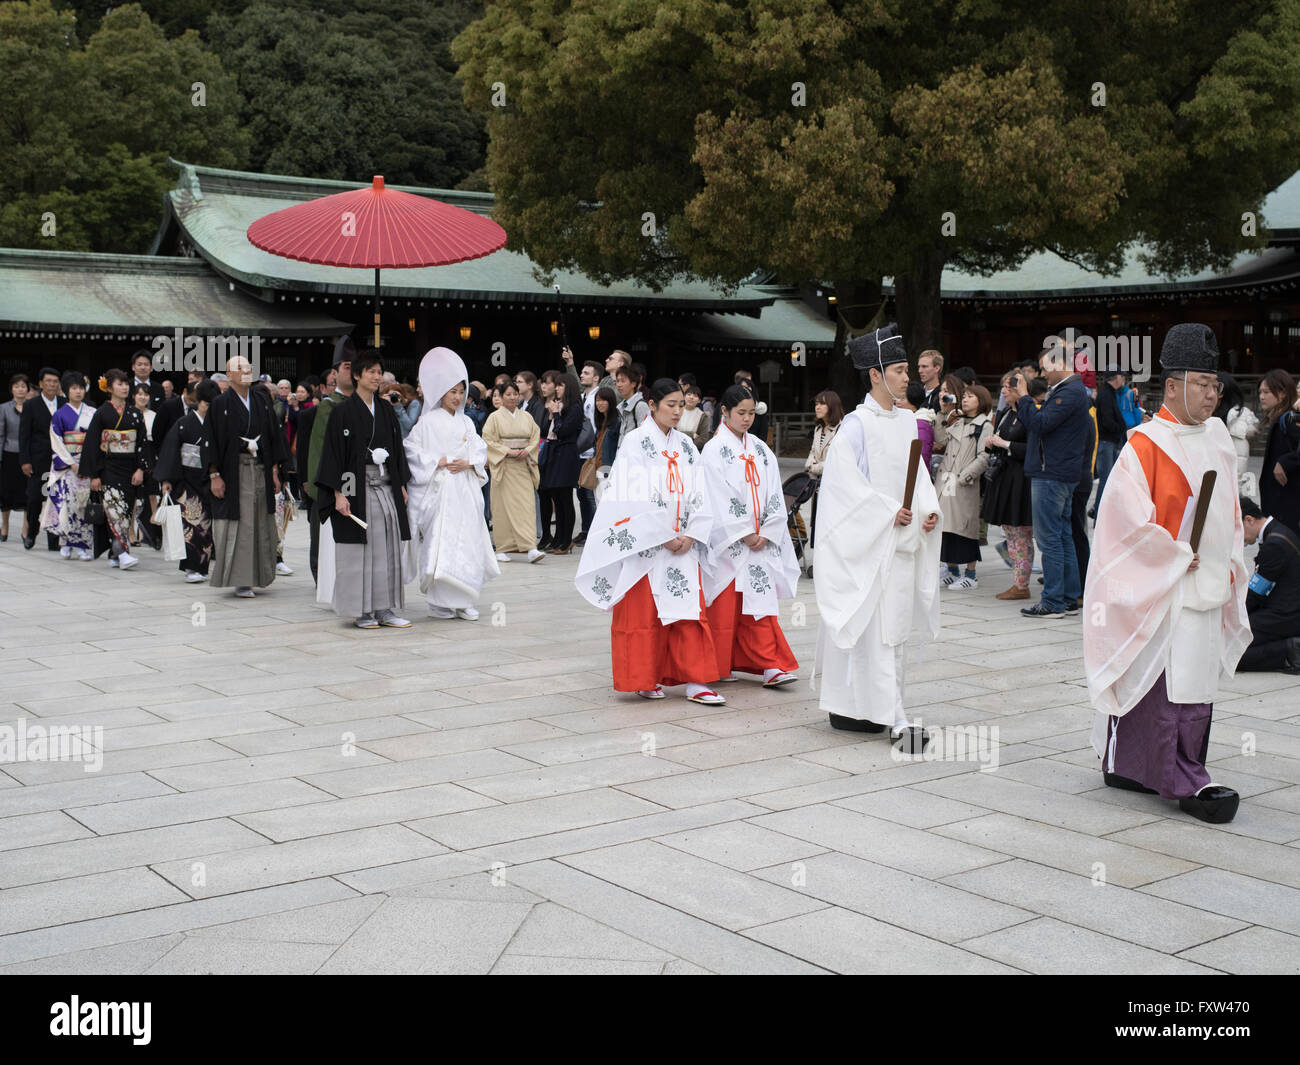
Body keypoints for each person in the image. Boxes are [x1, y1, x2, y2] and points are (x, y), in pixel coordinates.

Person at [1084, 323, 1249, 824]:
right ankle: (1177, 777)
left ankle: (1149, 765)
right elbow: (1121, 525)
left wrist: (1232, 558)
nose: (1211, 394)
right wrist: (1171, 553)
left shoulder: (1217, 436)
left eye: (1215, 384)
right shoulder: (1144, 445)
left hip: (1206, 579)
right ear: (1172, 384)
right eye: (1202, 383)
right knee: (1164, 680)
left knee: (1193, 678)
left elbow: (1230, 513)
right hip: (1165, 585)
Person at [814, 323, 942, 750]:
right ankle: (889, 717)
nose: (909, 377)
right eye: (901, 369)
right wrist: (889, 513)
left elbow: (918, 475)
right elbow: (843, 490)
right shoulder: (855, 426)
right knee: (874, 631)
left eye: (909, 370)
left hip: (900, 544)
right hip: (869, 546)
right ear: (875, 374)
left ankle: (879, 707)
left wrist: (927, 510)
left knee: (894, 632)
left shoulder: (907, 420)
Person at [575, 378, 725, 705]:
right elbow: (629, 495)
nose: (676, 411)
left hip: (683, 543)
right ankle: (644, 677)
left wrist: (691, 532)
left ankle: (696, 681)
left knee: (689, 611)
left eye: (680, 405)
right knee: (644, 615)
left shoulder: (685, 446)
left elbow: (700, 491)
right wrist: (663, 534)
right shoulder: (635, 442)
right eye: (669, 405)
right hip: (647, 546)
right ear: (653, 405)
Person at [701, 384, 800, 687]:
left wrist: (768, 530)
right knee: (725, 607)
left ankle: (770, 665)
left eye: (750, 413)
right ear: (725, 412)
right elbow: (716, 496)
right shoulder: (713, 450)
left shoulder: (760, 448)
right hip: (731, 543)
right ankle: (720, 664)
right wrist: (744, 531)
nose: (746, 419)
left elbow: (774, 491)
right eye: (740, 413)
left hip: (761, 541)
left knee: (760, 606)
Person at [315, 350, 412, 629]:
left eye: (379, 371)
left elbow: (397, 451)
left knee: (387, 548)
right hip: (357, 487)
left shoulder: (385, 411)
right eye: (370, 371)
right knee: (361, 550)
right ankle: (362, 611)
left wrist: (400, 484)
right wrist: (339, 493)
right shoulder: (342, 412)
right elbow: (334, 455)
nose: (376, 376)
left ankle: (385, 608)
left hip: (384, 486)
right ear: (357, 375)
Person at [404, 347, 499, 621]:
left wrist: (468, 462)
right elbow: (411, 451)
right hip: (441, 490)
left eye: (460, 391)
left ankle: (466, 597)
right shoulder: (427, 422)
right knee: (441, 543)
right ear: (440, 392)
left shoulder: (467, 421)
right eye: (452, 391)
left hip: (465, 490)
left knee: (468, 540)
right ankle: (440, 600)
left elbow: (480, 449)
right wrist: (438, 460)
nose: (457, 397)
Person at [1012, 343, 1091, 618]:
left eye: (1045, 368)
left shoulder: (1069, 392)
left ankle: (1054, 601)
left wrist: (1023, 398)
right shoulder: (1070, 390)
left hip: (1052, 473)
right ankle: (1068, 597)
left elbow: (1041, 423)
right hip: (1060, 472)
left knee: (1050, 540)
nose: (1043, 374)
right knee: (1063, 535)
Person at [208, 355, 286, 598]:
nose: (246, 371)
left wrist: (274, 471)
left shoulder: (262, 401)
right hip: (235, 470)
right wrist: (214, 475)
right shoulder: (220, 403)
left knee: (261, 521)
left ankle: (259, 575)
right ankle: (241, 580)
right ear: (228, 375)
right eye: (239, 368)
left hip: (260, 469)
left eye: (248, 367)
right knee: (240, 525)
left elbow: (273, 437)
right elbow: (211, 440)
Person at [78, 368, 144, 570]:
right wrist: (94, 474)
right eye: (119, 384)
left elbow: (142, 442)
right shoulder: (102, 413)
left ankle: (115, 553)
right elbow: (91, 445)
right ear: (109, 388)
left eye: (126, 384)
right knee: (115, 511)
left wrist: (141, 468)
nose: (124, 387)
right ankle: (123, 553)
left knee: (125, 511)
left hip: (129, 468)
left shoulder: (134, 413)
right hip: (108, 468)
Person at [156, 379, 220, 583]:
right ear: (198, 402)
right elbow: (170, 450)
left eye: (212, 406)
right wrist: (166, 479)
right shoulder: (183, 424)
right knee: (193, 525)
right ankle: (193, 568)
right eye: (206, 405)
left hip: (209, 480)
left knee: (207, 526)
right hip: (186, 481)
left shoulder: (217, 425)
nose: (209, 409)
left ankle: (201, 565)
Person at [933, 383, 993, 588]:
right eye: (964, 396)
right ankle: (951, 569)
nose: (965, 399)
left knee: (966, 527)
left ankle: (971, 573)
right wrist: (944, 414)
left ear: (981, 401)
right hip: (946, 480)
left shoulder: (984, 425)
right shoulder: (957, 421)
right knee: (946, 526)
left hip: (964, 482)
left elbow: (985, 456)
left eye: (970, 397)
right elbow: (940, 440)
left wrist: (966, 476)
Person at [305, 338, 355, 582]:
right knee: (325, 539)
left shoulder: (365, 404)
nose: (351, 371)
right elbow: (321, 451)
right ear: (334, 373)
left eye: (354, 366)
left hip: (358, 482)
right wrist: (327, 489)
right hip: (332, 484)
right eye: (346, 366)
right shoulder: (329, 406)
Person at [982, 373, 1035, 600]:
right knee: (1009, 530)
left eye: (1008, 387)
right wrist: (992, 444)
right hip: (1004, 475)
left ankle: (1021, 584)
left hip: (1020, 479)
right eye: (1002, 386)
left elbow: (1034, 448)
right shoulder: (1005, 413)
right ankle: (1017, 580)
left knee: (1021, 531)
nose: (1003, 391)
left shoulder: (1030, 414)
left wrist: (1006, 444)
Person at [483, 380, 545, 563]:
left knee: (526, 506)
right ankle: (502, 547)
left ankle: (530, 547)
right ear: (501, 397)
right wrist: (507, 451)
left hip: (522, 466)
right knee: (501, 508)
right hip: (503, 466)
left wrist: (528, 450)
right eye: (508, 394)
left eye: (515, 394)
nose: (512, 397)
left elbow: (535, 436)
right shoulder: (494, 417)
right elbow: (488, 440)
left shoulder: (526, 416)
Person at [1237, 497, 1300, 673]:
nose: (1238, 538)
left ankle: (1290, 650)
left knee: (1231, 652)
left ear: (1249, 519)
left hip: (1285, 615)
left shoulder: (1275, 543)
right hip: (1284, 609)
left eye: (1237, 529)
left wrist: (1235, 618)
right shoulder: (1278, 532)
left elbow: (1256, 593)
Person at [40, 371, 96, 560]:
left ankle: (83, 545)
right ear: (65, 391)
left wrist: (87, 462)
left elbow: (95, 439)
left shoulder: (91, 412)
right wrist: (72, 464)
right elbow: (56, 441)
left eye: (81, 388)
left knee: (84, 504)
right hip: (68, 466)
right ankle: (66, 543)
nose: (78, 392)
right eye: (74, 388)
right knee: (68, 505)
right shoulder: (59, 415)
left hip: (87, 464)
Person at [18, 366, 65, 551]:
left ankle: (53, 538)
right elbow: (24, 435)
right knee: (34, 499)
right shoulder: (31, 405)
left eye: (55, 382)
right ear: (40, 384)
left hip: (59, 459)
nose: (52, 385)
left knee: (55, 498)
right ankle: (31, 531)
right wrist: (25, 460)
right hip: (38, 459)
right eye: (48, 381)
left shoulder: (64, 403)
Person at [538, 372, 584, 554]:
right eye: (556, 385)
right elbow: (547, 431)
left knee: (565, 498)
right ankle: (558, 539)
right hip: (553, 452)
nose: (556, 388)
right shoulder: (560, 406)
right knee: (555, 496)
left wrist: (556, 415)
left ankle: (566, 541)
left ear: (569, 387)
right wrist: (552, 415)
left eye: (560, 385)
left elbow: (563, 431)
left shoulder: (575, 408)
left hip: (566, 454)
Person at [1257, 368, 1300, 532]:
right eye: (1260, 392)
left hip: (1288, 506)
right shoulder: (1279, 419)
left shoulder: (1289, 419)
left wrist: (1285, 461)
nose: (1261, 396)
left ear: (1282, 393)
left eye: (1266, 392)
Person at [1213, 373, 1258, 502]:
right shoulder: (1212, 416)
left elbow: (1238, 467)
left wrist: (1233, 499)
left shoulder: (1238, 422)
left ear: (1221, 392)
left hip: (1225, 496)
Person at [128, 383, 160, 548]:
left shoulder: (154, 415)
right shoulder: (129, 413)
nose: (142, 397)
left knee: (153, 494)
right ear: (134, 396)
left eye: (146, 394)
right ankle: (131, 531)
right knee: (134, 497)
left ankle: (153, 532)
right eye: (139, 394)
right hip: (133, 456)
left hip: (152, 455)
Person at [573, 358, 602, 543]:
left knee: (591, 493)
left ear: (596, 378)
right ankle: (584, 529)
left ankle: (593, 531)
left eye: (586, 373)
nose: (582, 376)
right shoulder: (583, 396)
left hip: (592, 449)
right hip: (579, 448)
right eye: (582, 373)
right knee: (581, 492)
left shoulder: (599, 396)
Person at [1093, 370, 1128, 514]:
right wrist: (1120, 428)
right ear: (1116, 377)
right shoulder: (1106, 394)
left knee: (1109, 479)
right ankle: (1098, 511)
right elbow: (1107, 421)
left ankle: (1101, 510)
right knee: (1106, 479)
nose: (1123, 379)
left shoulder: (1109, 392)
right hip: (1106, 442)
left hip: (1108, 442)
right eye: (1122, 376)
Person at [1, 373, 30, 542]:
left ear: (27, 389)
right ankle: (4, 525)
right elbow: (1, 434)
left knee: (28, 493)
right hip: (9, 454)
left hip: (27, 455)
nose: (20, 389)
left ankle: (26, 528)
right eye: (17, 386)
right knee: (6, 493)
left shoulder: (32, 406)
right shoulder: (3, 408)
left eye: (23, 386)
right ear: (11, 389)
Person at [898, 382, 934, 470]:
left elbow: (921, 459)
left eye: (902, 398)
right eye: (897, 398)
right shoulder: (905, 420)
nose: (897, 402)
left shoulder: (921, 425)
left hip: (915, 479)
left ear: (913, 402)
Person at [614, 362, 650, 439]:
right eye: (617, 381)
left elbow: (646, 435)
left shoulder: (640, 405)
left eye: (623, 381)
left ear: (633, 384)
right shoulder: (622, 405)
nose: (619, 385)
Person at [677, 385, 708, 451]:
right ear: (684, 396)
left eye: (695, 396)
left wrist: (688, 447)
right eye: (689, 394)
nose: (691, 397)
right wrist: (691, 434)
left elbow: (703, 438)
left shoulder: (703, 415)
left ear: (699, 400)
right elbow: (671, 431)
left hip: (692, 451)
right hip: (674, 448)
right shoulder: (676, 411)